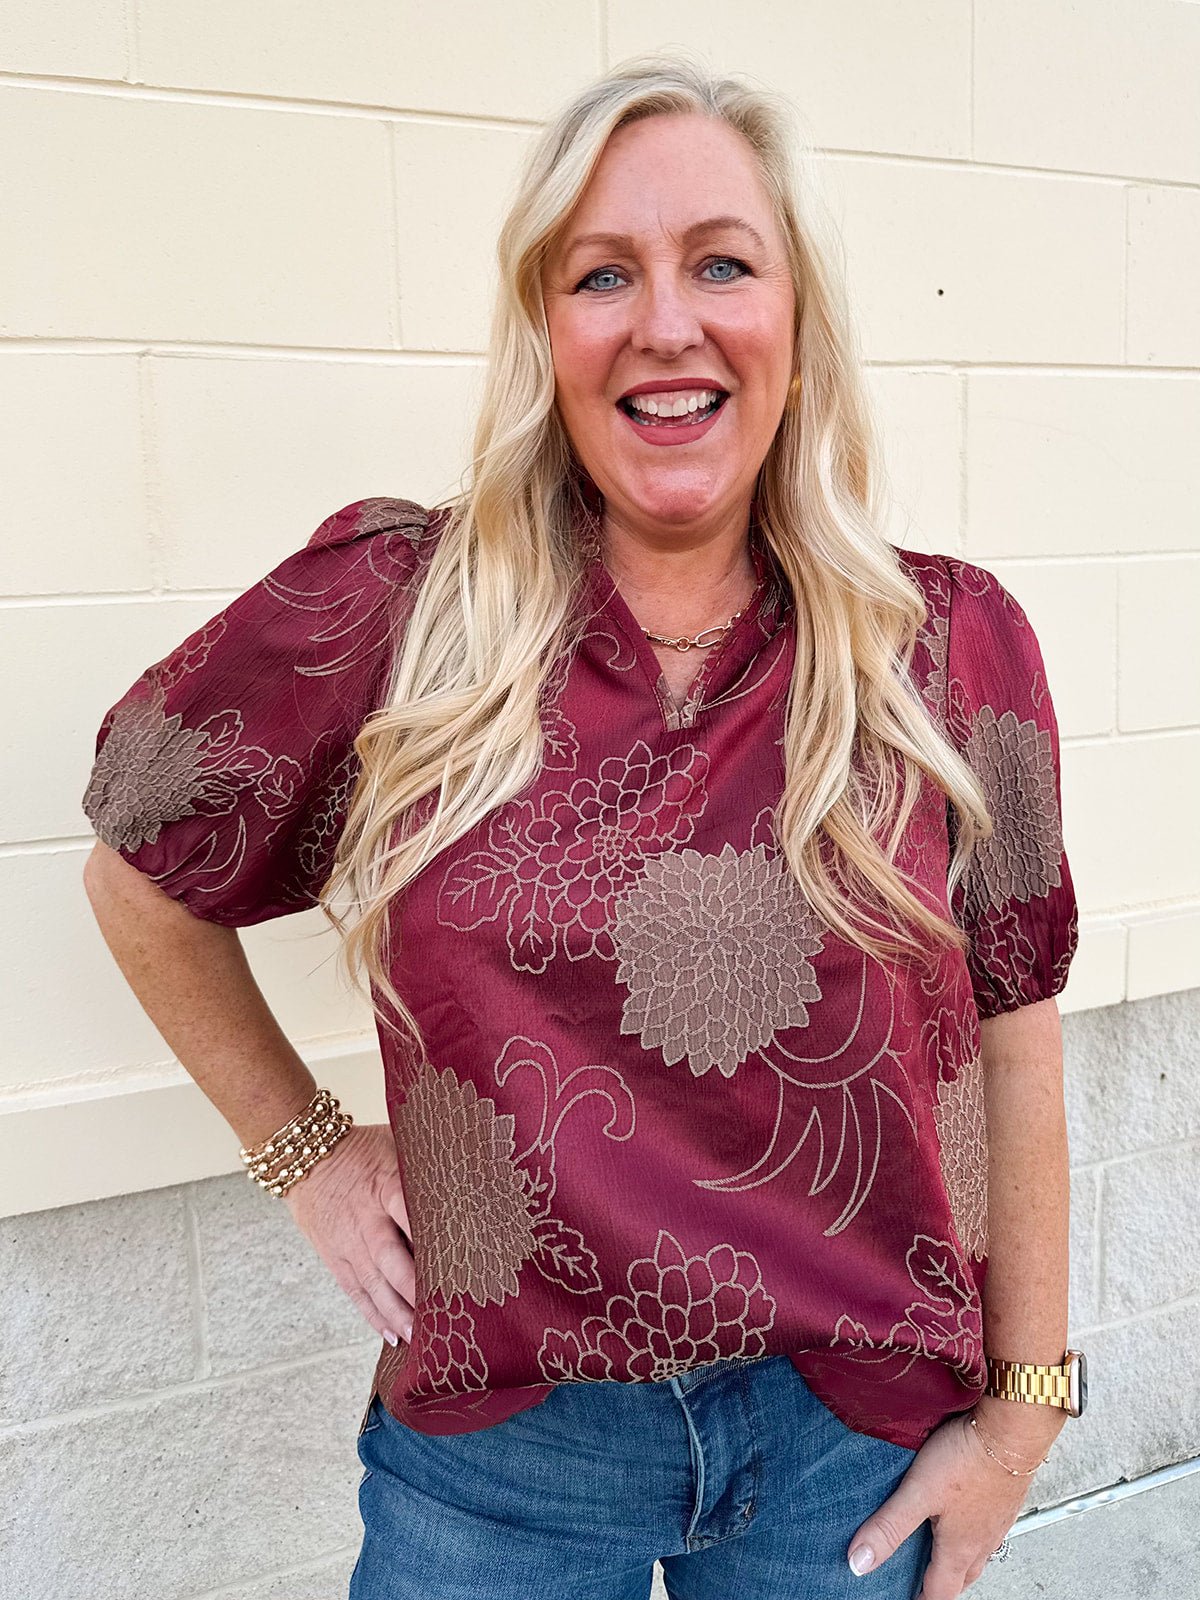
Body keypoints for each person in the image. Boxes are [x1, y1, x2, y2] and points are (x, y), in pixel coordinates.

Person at [81, 52, 1086, 1600]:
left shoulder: (943, 651)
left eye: (723, 264)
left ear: (800, 324)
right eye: (603, 274)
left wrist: (1023, 1414)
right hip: (505, 1465)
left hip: (850, 1440)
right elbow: (139, 866)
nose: (665, 322)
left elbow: (1017, 1028)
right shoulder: (399, 618)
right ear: (546, 334)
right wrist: (306, 1153)